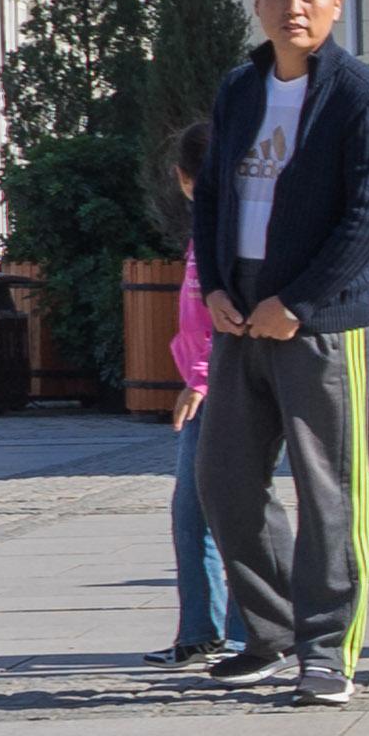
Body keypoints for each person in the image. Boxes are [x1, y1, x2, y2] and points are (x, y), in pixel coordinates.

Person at [189, 0, 369, 707]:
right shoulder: (240, 89)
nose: (295, 6)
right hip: (240, 312)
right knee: (224, 481)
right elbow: (213, 194)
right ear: (257, 0)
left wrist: (301, 303)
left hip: (322, 321)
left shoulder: (360, 96)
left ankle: (327, 648)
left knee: (328, 491)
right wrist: (214, 284)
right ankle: (272, 629)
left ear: (337, 3)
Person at [164, 262, 245, 668]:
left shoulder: (236, 216)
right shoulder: (206, 227)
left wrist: (200, 378)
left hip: (229, 382)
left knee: (237, 511)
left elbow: (235, 312)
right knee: (191, 515)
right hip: (204, 382)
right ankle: (199, 633)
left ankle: (247, 635)